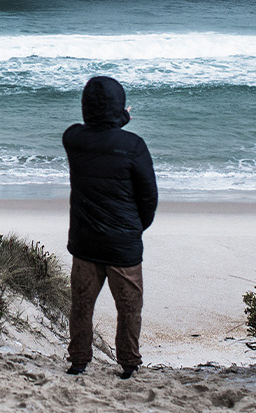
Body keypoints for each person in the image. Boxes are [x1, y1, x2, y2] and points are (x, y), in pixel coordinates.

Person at [62, 76, 158, 380]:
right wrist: (135, 229)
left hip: (85, 243)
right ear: (119, 107)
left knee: (81, 307)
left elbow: (97, 128)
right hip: (123, 245)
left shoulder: (74, 139)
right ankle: (128, 364)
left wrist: (118, 119)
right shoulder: (134, 146)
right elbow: (149, 198)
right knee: (129, 310)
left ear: (85, 107)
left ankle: (78, 362)